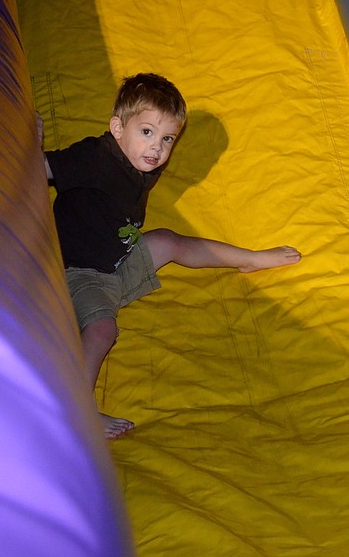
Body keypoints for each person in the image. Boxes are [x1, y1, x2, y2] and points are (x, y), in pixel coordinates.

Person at [42, 73, 301, 439]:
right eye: (146, 132)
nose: (157, 149)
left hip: (117, 261)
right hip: (79, 272)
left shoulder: (144, 164)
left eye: (167, 139)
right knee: (102, 330)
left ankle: (251, 259)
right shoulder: (96, 157)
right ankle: (78, 410)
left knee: (168, 240)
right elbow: (42, 169)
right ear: (118, 127)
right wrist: (28, 140)